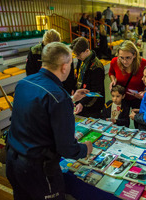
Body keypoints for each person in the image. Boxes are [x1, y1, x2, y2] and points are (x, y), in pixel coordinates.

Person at [6, 42, 93, 200]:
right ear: (64, 67)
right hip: (37, 169)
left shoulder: (24, 83)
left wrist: (72, 99)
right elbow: (67, 148)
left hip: (13, 160)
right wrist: (84, 150)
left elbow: (34, 114)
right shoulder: (59, 97)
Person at [25, 29, 75, 94]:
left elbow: (70, 75)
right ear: (44, 42)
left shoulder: (64, 52)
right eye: (49, 47)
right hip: (40, 89)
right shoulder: (34, 52)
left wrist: (68, 91)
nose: (52, 50)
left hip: (60, 89)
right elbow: (30, 73)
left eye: (54, 47)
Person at [108, 40, 146, 110]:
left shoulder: (143, 63)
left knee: (138, 119)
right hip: (122, 97)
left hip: (137, 98)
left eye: (128, 57)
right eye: (121, 57)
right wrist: (113, 80)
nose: (124, 61)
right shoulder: (115, 61)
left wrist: (145, 92)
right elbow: (111, 72)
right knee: (121, 120)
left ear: (134, 55)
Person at [70, 37, 105, 118]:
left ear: (86, 51)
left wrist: (82, 103)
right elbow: (78, 77)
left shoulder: (97, 67)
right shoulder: (82, 60)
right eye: (75, 55)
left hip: (92, 107)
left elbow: (96, 91)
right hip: (81, 102)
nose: (77, 57)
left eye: (78, 55)